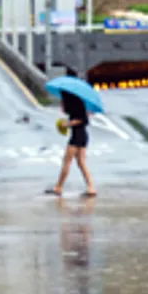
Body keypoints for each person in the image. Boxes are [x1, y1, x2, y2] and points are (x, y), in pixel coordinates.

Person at [48, 69, 96, 198]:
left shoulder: (77, 103)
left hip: (78, 135)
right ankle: (90, 187)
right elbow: (72, 114)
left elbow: (82, 120)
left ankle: (58, 187)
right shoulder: (76, 102)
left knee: (67, 161)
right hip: (82, 135)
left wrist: (67, 124)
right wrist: (63, 107)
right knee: (81, 163)